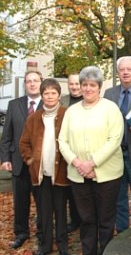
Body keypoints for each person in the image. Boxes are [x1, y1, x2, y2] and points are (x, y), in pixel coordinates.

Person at [58, 66, 124, 255]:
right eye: (84, 84)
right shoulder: (71, 111)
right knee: (86, 219)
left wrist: (92, 163)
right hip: (78, 174)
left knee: (105, 219)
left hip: (107, 174)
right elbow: (62, 140)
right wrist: (78, 163)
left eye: (92, 85)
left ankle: (107, 251)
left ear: (99, 87)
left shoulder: (110, 108)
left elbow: (114, 139)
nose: (87, 88)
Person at [19, 78, 70, 255]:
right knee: (44, 212)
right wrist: (30, 160)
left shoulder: (67, 114)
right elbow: (24, 143)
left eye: (53, 93)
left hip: (61, 173)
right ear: (41, 96)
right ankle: (46, 245)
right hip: (41, 175)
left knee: (61, 211)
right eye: (46, 93)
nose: (49, 96)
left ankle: (63, 245)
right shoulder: (33, 118)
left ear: (59, 95)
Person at [104, 56, 131, 233]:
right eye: (122, 69)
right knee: (119, 199)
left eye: (129, 69)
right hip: (114, 156)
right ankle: (122, 235)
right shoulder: (109, 94)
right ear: (118, 72)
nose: (125, 72)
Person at [0, 70, 43, 249]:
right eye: (28, 81)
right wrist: (5, 158)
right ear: (25, 84)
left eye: (35, 81)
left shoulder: (49, 104)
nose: (32, 84)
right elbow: (7, 135)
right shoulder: (14, 104)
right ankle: (21, 233)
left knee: (42, 202)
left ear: (41, 82)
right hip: (18, 163)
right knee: (20, 202)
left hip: (41, 164)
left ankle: (43, 234)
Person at [60, 73, 82, 233]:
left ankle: (85, 220)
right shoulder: (63, 101)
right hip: (67, 153)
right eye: (71, 84)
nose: (74, 87)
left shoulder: (91, 99)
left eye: (77, 83)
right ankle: (75, 220)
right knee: (70, 190)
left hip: (85, 152)